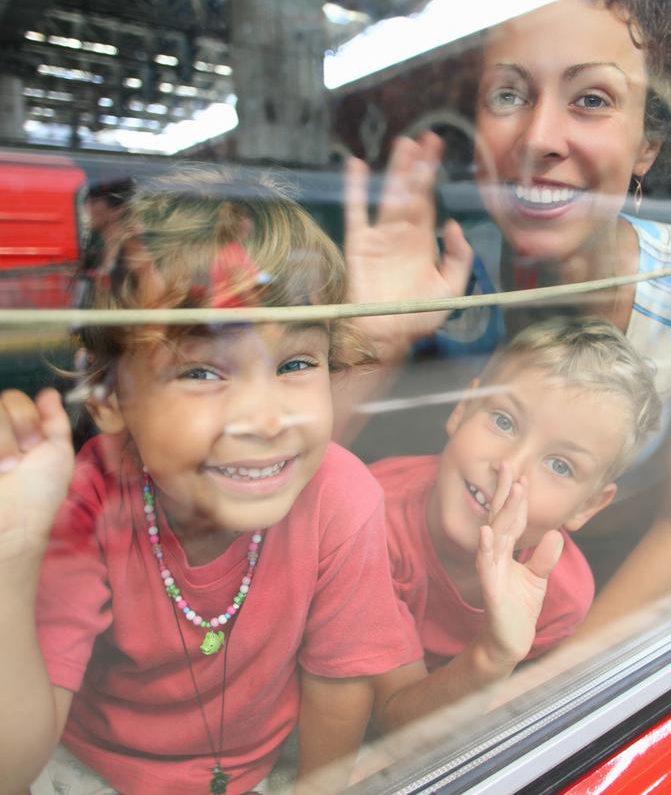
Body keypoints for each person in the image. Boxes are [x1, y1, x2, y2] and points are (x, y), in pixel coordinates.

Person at [0, 169, 421, 794]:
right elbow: (13, 768)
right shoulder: (88, 503)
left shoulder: (340, 496)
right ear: (110, 395)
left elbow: (338, 684)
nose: (266, 419)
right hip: (91, 770)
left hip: (262, 771)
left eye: (296, 363)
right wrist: (13, 553)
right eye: (201, 372)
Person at [343, 0, 671, 630]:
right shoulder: (445, 276)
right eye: (508, 95)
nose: (538, 138)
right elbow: (293, 485)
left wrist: (547, 685)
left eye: (592, 99)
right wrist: (377, 336)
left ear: (646, 147)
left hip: (612, 600)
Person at [369, 318, 662, 730]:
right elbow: (389, 718)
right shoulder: (369, 522)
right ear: (462, 410)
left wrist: (499, 652)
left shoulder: (559, 599)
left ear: (588, 506)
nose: (510, 468)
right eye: (504, 421)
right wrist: (491, 655)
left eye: (560, 465)